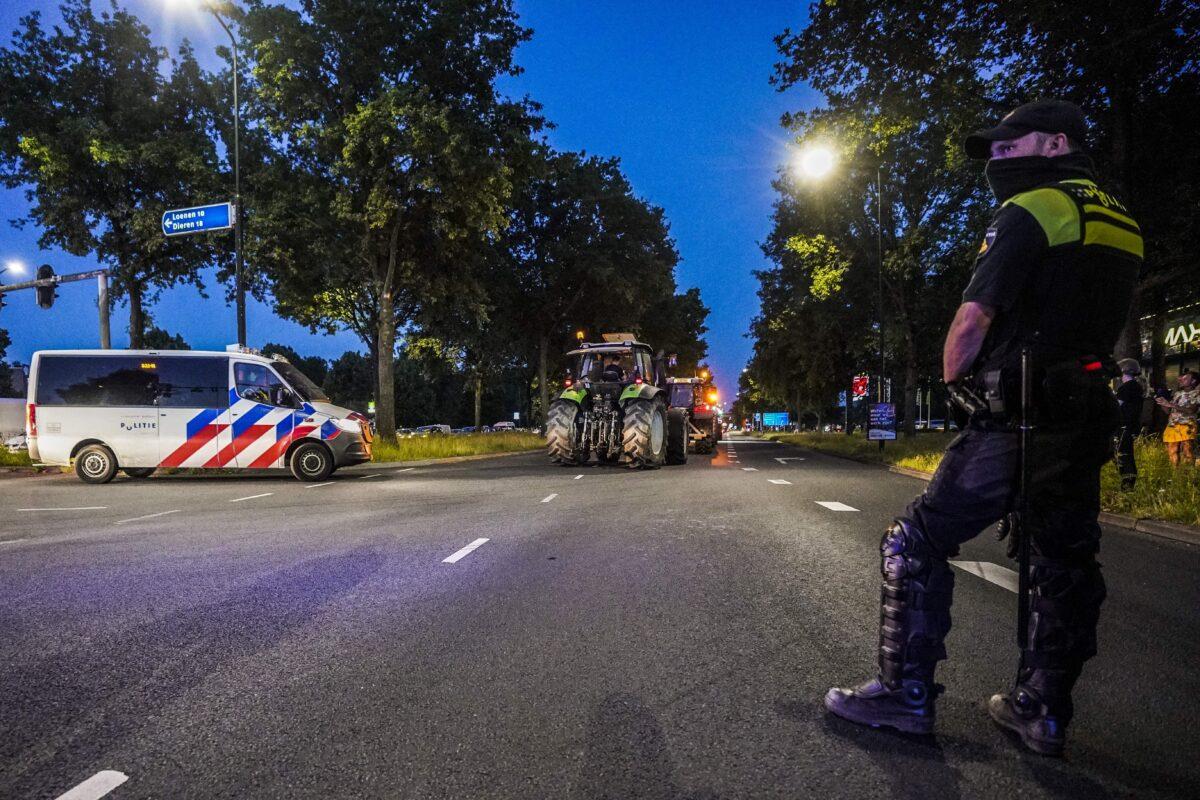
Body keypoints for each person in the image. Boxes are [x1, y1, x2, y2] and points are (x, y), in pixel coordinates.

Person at [823, 100, 1143, 757]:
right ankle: (1044, 710)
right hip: (1082, 416)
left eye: (1008, 147)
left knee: (913, 539)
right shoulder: (1121, 222)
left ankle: (904, 697)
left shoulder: (1032, 210)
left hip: (1016, 412)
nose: (997, 161)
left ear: (1056, 144)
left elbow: (975, 316)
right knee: (1062, 559)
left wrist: (954, 377)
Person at [1157, 370, 1199, 467]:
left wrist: (1171, 404)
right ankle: (1175, 475)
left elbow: (1191, 410)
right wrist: (1162, 403)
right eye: (1181, 377)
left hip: (1187, 425)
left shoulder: (1196, 393)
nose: (1181, 379)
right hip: (1172, 425)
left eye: (1185, 378)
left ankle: (1189, 476)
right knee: (1172, 450)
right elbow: (1168, 411)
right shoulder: (1177, 393)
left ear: (1193, 381)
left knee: (1187, 451)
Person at [1114, 358, 1144, 489]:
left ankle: (1127, 484)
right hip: (1130, 425)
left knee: (1124, 455)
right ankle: (1127, 483)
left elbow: (1116, 406)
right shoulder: (1136, 387)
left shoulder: (1126, 387)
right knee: (1125, 454)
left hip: (1124, 426)